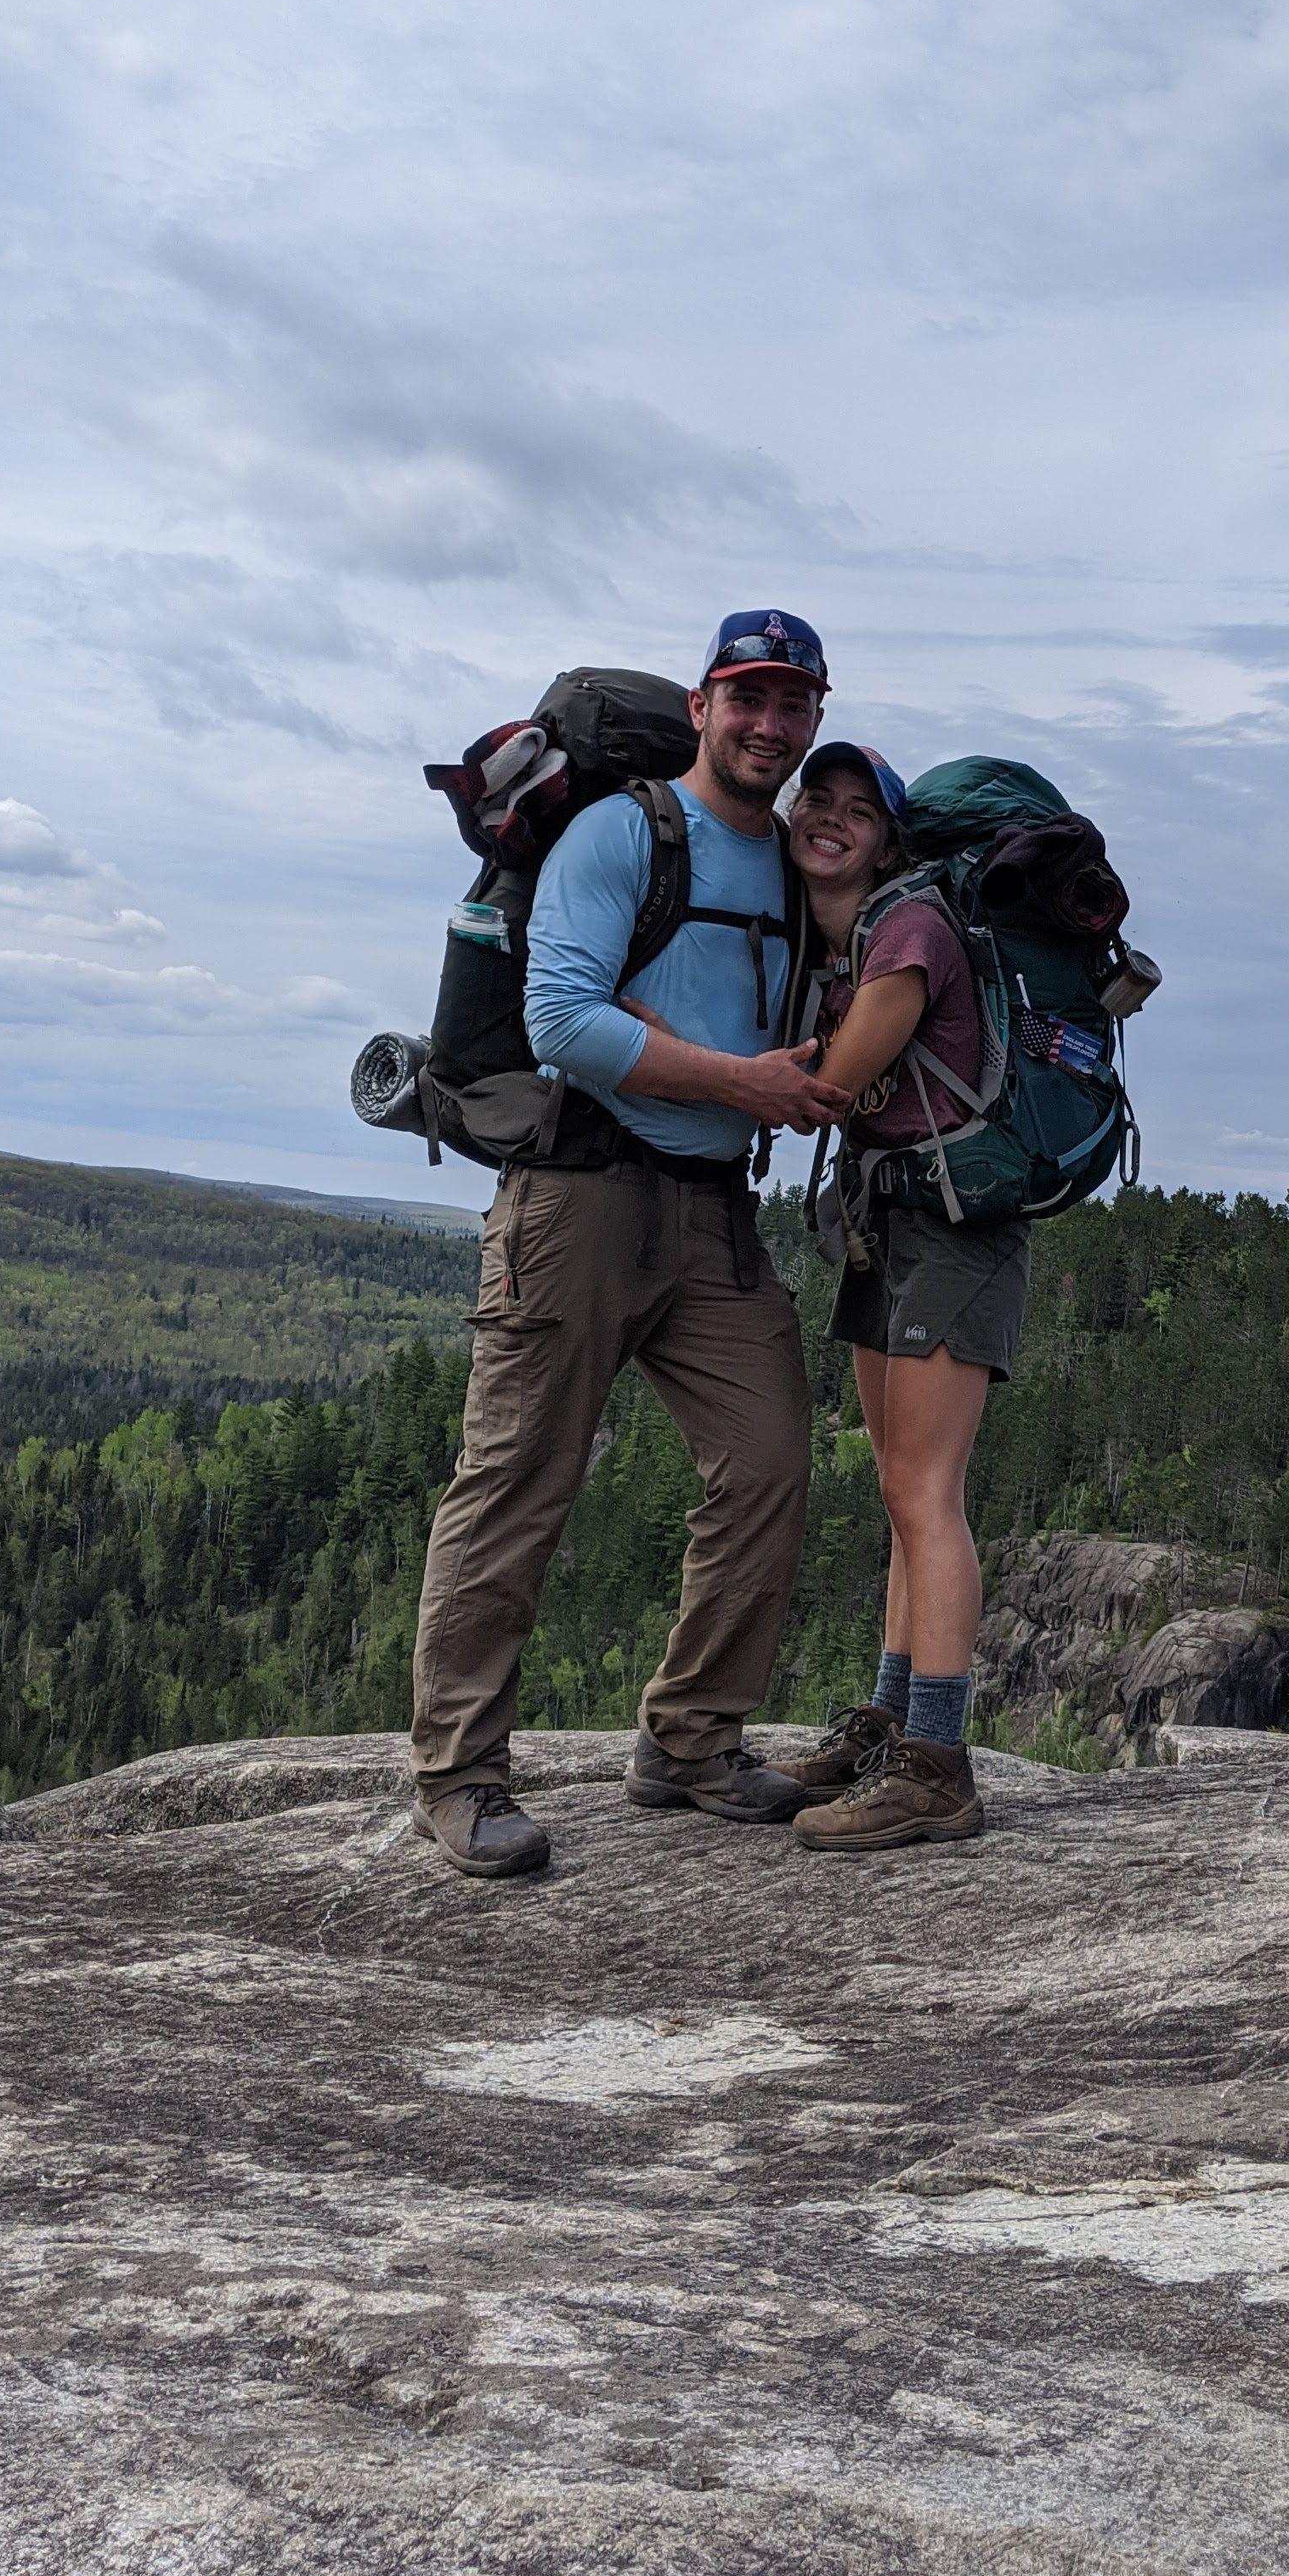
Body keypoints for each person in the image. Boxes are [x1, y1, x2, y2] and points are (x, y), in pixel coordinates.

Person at [406, 609, 851, 1880]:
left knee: (767, 1461)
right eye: (748, 697)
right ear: (704, 706)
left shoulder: (794, 867)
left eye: (793, 703)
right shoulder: (623, 830)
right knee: (517, 1480)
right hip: (578, 1198)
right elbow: (561, 1023)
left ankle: (692, 1740)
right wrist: (742, 1084)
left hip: (713, 1212)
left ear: (815, 719)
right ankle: (458, 1776)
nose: (769, 724)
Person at [772, 739, 1026, 1852]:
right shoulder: (850, 944)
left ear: (888, 842)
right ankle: (888, 1728)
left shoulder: (910, 929)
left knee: (928, 1494)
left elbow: (830, 1086)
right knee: (898, 1493)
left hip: (955, 1231)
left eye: (857, 810)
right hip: (893, 1222)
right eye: (815, 799)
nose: (829, 818)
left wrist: (677, 1059)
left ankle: (937, 1767)